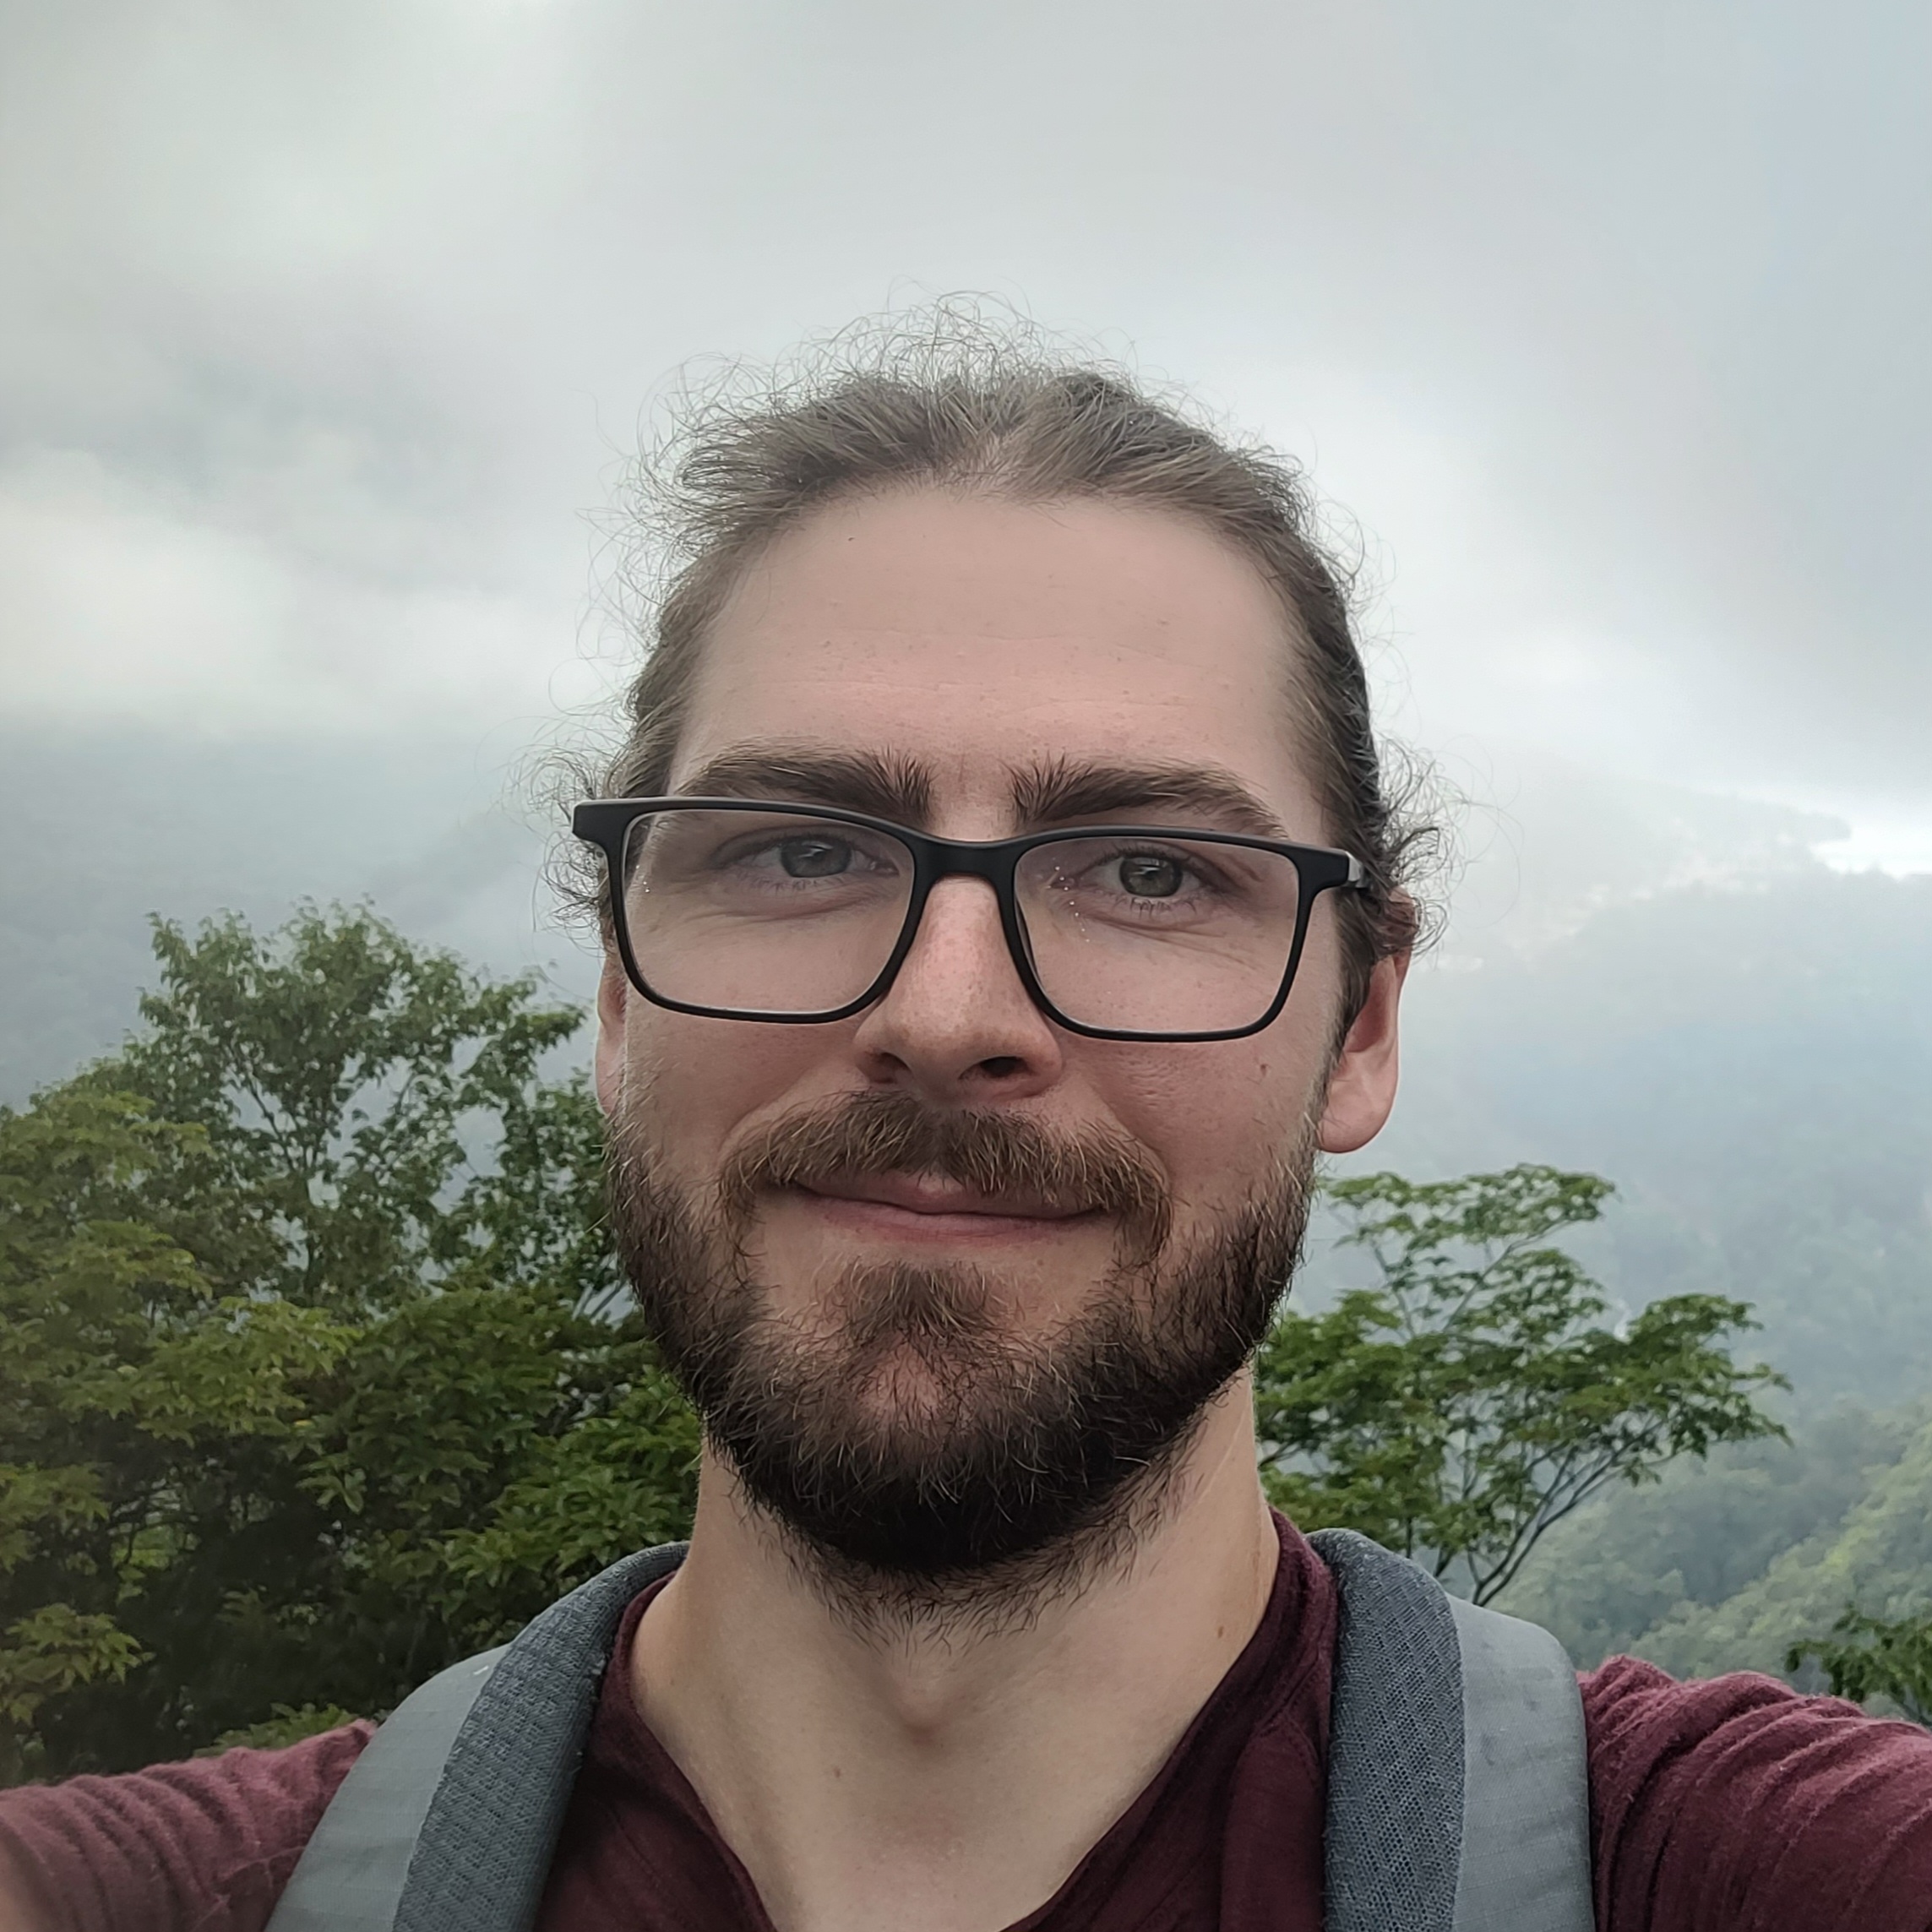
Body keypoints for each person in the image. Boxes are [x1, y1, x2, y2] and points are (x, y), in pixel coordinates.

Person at [3, 314, 1930, 1932]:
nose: (942, 1015)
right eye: (797, 849)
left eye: (1150, 873)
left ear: (1360, 1024)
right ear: (616, 990)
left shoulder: (1738, 1869)